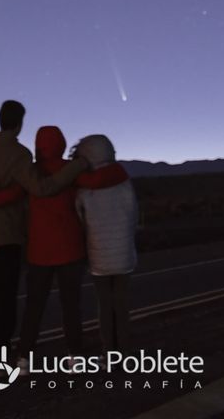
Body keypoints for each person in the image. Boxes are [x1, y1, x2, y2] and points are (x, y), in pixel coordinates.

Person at [0, 126, 128, 365]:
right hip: (70, 249)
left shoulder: (29, 175)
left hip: (38, 252)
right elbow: (96, 185)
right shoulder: (72, 173)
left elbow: (12, 198)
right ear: (61, 143)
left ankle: (24, 357)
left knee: (34, 307)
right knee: (71, 306)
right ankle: (74, 356)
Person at [0, 100, 88, 375]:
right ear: (19, 123)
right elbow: (42, 187)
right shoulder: (18, 154)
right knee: (5, 302)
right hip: (5, 236)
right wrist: (77, 167)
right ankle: (5, 362)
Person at [73, 134, 138, 354]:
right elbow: (133, 216)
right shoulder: (124, 182)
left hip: (98, 257)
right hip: (124, 255)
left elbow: (81, 223)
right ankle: (126, 349)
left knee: (104, 305)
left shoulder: (83, 189)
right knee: (121, 305)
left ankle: (110, 351)